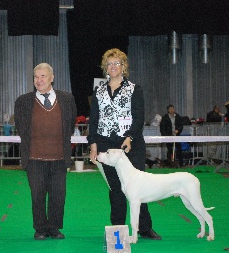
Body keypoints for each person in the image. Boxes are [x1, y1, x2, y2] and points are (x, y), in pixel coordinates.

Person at [88, 48, 161, 240]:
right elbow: (94, 120)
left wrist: (129, 137)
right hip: (105, 144)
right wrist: (93, 145)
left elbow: (139, 118)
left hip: (131, 145)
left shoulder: (134, 89)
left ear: (123, 67)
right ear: (105, 67)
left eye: (117, 63)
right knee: (115, 188)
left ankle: (145, 228)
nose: (113, 67)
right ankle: (118, 229)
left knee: (137, 186)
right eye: (109, 64)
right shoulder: (98, 91)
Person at [14, 63, 77, 240]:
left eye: (43, 76)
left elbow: (70, 125)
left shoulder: (67, 99)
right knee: (37, 195)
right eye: (36, 77)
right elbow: (21, 128)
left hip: (59, 158)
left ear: (52, 78)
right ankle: (40, 229)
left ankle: (54, 228)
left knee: (58, 195)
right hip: (34, 158)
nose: (39, 80)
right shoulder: (23, 101)